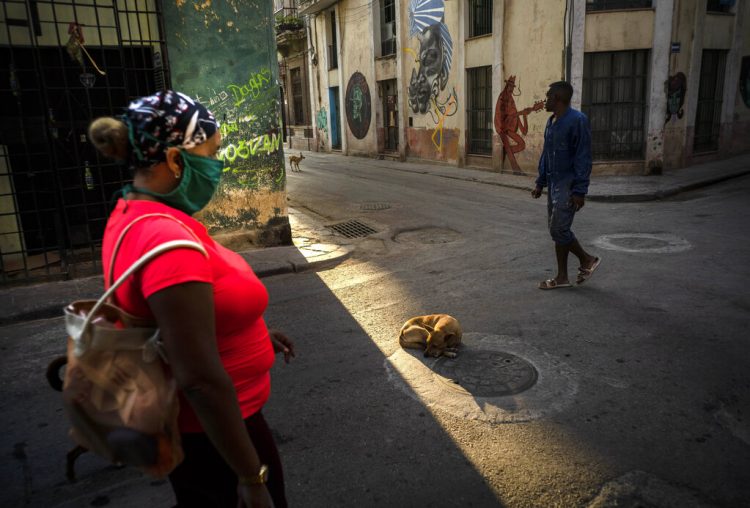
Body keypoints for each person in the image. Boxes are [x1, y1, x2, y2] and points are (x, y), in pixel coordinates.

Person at [88, 90, 295, 507]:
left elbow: (168, 318)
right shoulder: (167, 241)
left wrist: (246, 331)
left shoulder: (134, 212)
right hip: (214, 433)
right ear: (174, 159)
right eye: (211, 152)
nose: (217, 165)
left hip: (201, 429)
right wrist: (251, 478)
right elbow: (199, 381)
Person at [531, 81, 601, 289]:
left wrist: (580, 191)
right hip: (553, 183)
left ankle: (587, 259)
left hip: (568, 184)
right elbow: (547, 154)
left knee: (559, 229)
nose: (545, 100)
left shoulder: (578, 121)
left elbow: (583, 157)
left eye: (548, 96)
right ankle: (562, 277)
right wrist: (540, 182)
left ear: (558, 99)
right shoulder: (551, 122)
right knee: (557, 229)